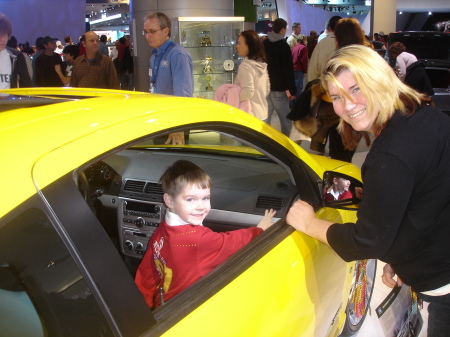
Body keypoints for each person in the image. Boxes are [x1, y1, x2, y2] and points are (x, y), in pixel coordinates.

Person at [286, 45, 450, 337]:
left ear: (379, 80)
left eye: (356, 88)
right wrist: (402, 259)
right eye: (336, 97)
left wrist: (309, 223)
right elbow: (429, 197)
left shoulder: (389, 155)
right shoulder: (426, 117)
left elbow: (366, 242)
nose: (348, 105)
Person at [135, 160, 276, 309]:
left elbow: (147, 272)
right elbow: (232, 243)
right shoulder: (197, 239)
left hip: (163, 305)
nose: (201, 206)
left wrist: (143, 308)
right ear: (169, 201)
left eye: (205, 198)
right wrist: (260, 229)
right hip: (184, 309)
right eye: (190, 199)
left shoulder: (163, 229)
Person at [144, 12, 193, 145]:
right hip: (160, 118)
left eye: (152, 31)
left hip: (175, 122)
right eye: (146, 32)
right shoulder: (154, 55)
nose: (148, 36)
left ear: (166, 31)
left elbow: (183, 94)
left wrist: (178, 127)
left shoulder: (177, 54)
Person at [263, 18, 296, 136]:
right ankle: (286, 145)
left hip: (265, 86)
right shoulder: (283, 46)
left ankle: (264, 142)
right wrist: (292, 89)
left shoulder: (264, 44)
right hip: (279, 88)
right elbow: (287, 70)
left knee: (265, 118)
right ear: (282, 29)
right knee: (285, 119)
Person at [234, 30, 270, 121]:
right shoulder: (261, 64)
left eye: (239, 43)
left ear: (248, 46)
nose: (236, 46)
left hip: (249, 115)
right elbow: (267, 89)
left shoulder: (245, 66)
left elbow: (248, 92)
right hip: (262, 113)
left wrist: (231, 95)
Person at [0, 12, 32, 88]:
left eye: (5, 34)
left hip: (9, 99)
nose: (3, 39)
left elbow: (26, 85)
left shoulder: (16, 57)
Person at [308, 16, 341, 82]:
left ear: (330, 27)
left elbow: (313, 67)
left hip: (323, 84)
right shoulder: (345, 43)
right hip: (341, 86)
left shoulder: (321, 43)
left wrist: (313, 85)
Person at [291, 34, 308, 100]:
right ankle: (298, 105)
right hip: (299, 69)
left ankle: (292, 105)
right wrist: (305, 71)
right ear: (303, 40)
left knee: (294, 88)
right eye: (306, 40)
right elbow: (304, 60)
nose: (307, 42)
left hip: (293, 69)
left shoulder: (294, 48)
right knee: (299, 88)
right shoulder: (304, 48)